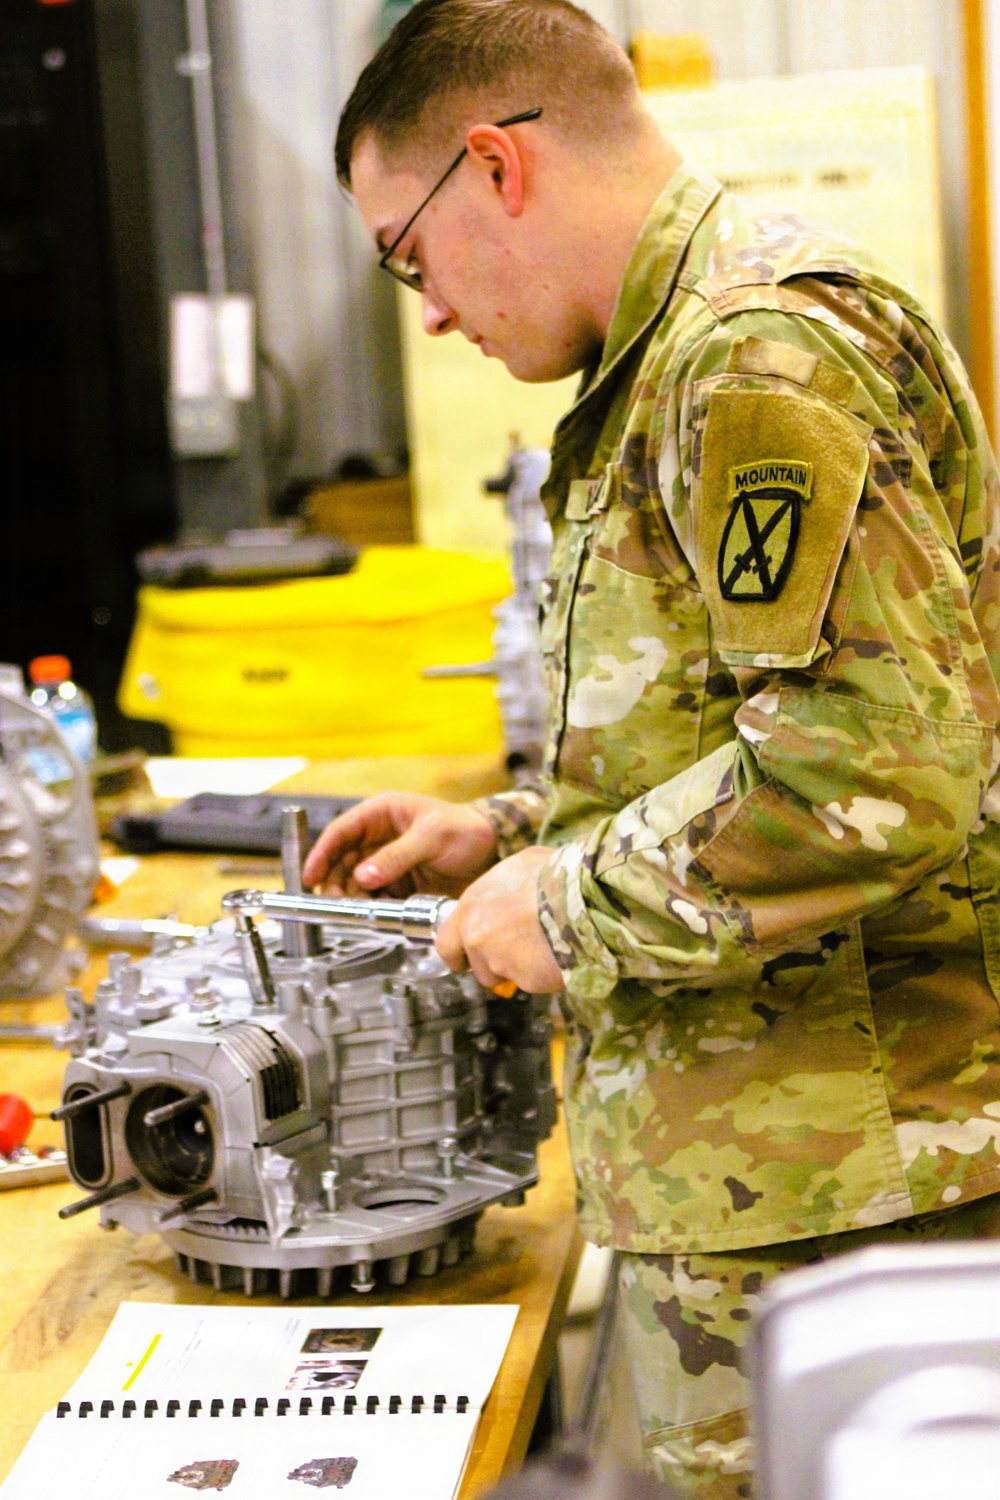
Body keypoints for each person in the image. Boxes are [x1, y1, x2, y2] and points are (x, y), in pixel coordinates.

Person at [304, 2, 1000, 1494]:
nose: (424, 313)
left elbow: (874, 768)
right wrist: (505, 833)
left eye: (405, 256)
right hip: (760, 1168)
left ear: (495, 165)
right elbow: (730, 719)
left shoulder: (756, 355)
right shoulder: (675, 355)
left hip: (837, 1187)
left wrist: (555, 905)